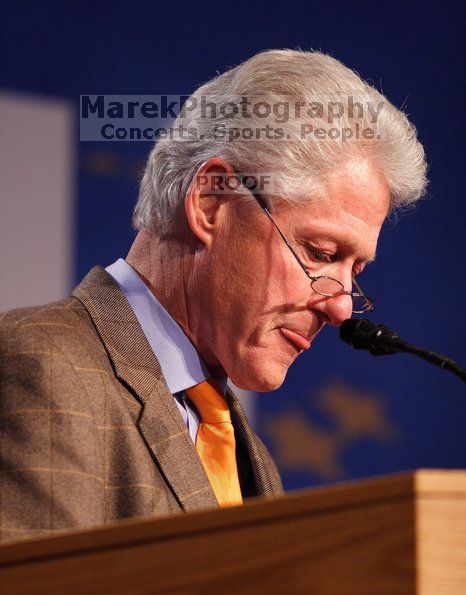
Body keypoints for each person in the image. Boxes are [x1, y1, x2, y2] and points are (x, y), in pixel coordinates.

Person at [0, 49, 427, 541]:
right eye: (320, 251)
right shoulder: (42, 364)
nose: (340, 306)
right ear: (211, 204)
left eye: (356, 270)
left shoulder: (247, 452)